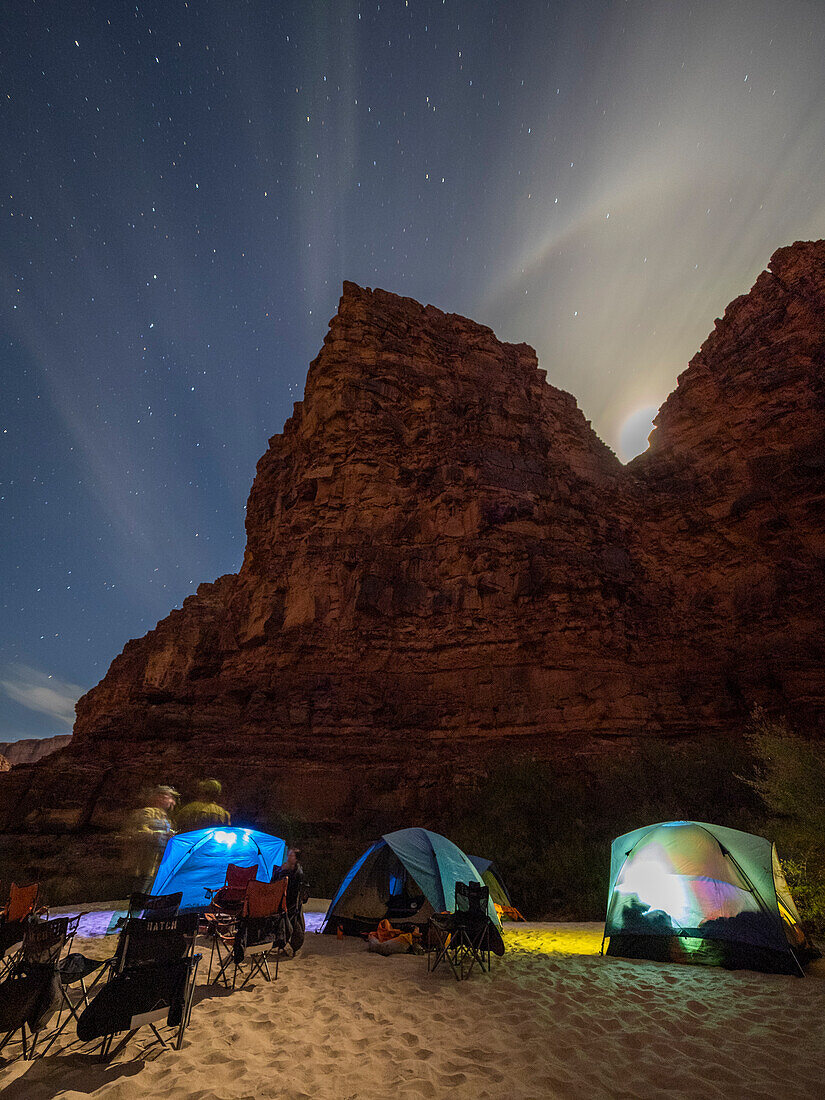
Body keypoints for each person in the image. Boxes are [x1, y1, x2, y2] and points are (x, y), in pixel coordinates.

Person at [128, 784, 178, 893]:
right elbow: (137, 832)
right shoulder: (147, 813)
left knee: (151, 887)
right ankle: (135, 909)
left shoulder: (166, 817)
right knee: (142, 885)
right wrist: (160, 835)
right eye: (168, 797)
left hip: (159, 859)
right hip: (146, 859)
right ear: (159, 797)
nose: (171, 801)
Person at [272, 847, 305, 953]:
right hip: (280, 899)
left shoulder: (297, 872)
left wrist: (283, 872)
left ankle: (286, 943)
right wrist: (281, 870)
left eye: (291, 855)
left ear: (296, 859)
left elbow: (293, 886)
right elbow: (273, 882)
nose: (288, 857)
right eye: (288, 855)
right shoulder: (284, 868)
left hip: (290, 902)